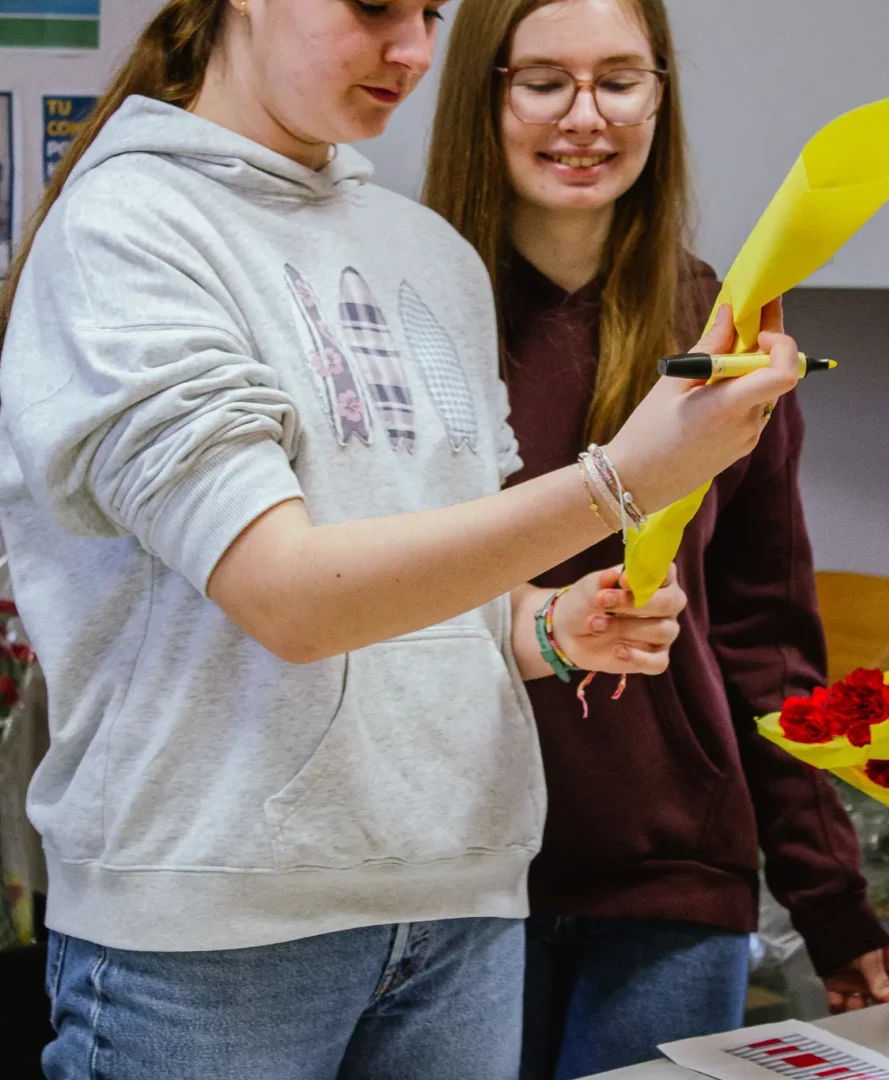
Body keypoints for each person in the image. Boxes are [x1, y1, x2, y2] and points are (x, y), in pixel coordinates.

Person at [0, 2, 803, 1078]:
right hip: (214, 928)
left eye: (430, 11)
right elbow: (290, 599)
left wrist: (547, 627)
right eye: (376, 5)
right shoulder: (130, 224)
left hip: (463, 897)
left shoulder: (428, 254)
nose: (417, 52)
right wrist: (622, 479)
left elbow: (429, 597)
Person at [424, 1, 889, 1077]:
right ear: (483, 95)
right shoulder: (405, 321)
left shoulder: (727, 333)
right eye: (544, 80)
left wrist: (834, 900)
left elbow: (766, 645)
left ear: (661, 94)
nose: (585, 116)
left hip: (669, 878)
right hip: (441, 877)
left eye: (619, 79)